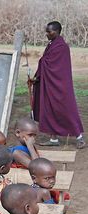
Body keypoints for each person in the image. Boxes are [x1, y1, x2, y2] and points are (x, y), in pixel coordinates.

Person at [32, 21, 85, 149]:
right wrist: (37, 77)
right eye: (47, 31)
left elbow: (52, 64)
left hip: (60, 85)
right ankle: (53, 138)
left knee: (67, 109)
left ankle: (79, 137)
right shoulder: (51, 44)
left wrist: (42, 65)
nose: (47, 34)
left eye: (49, 32)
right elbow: (45, 62)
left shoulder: (61, 46)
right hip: (50, 84)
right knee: (49, 109)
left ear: (57, 31)